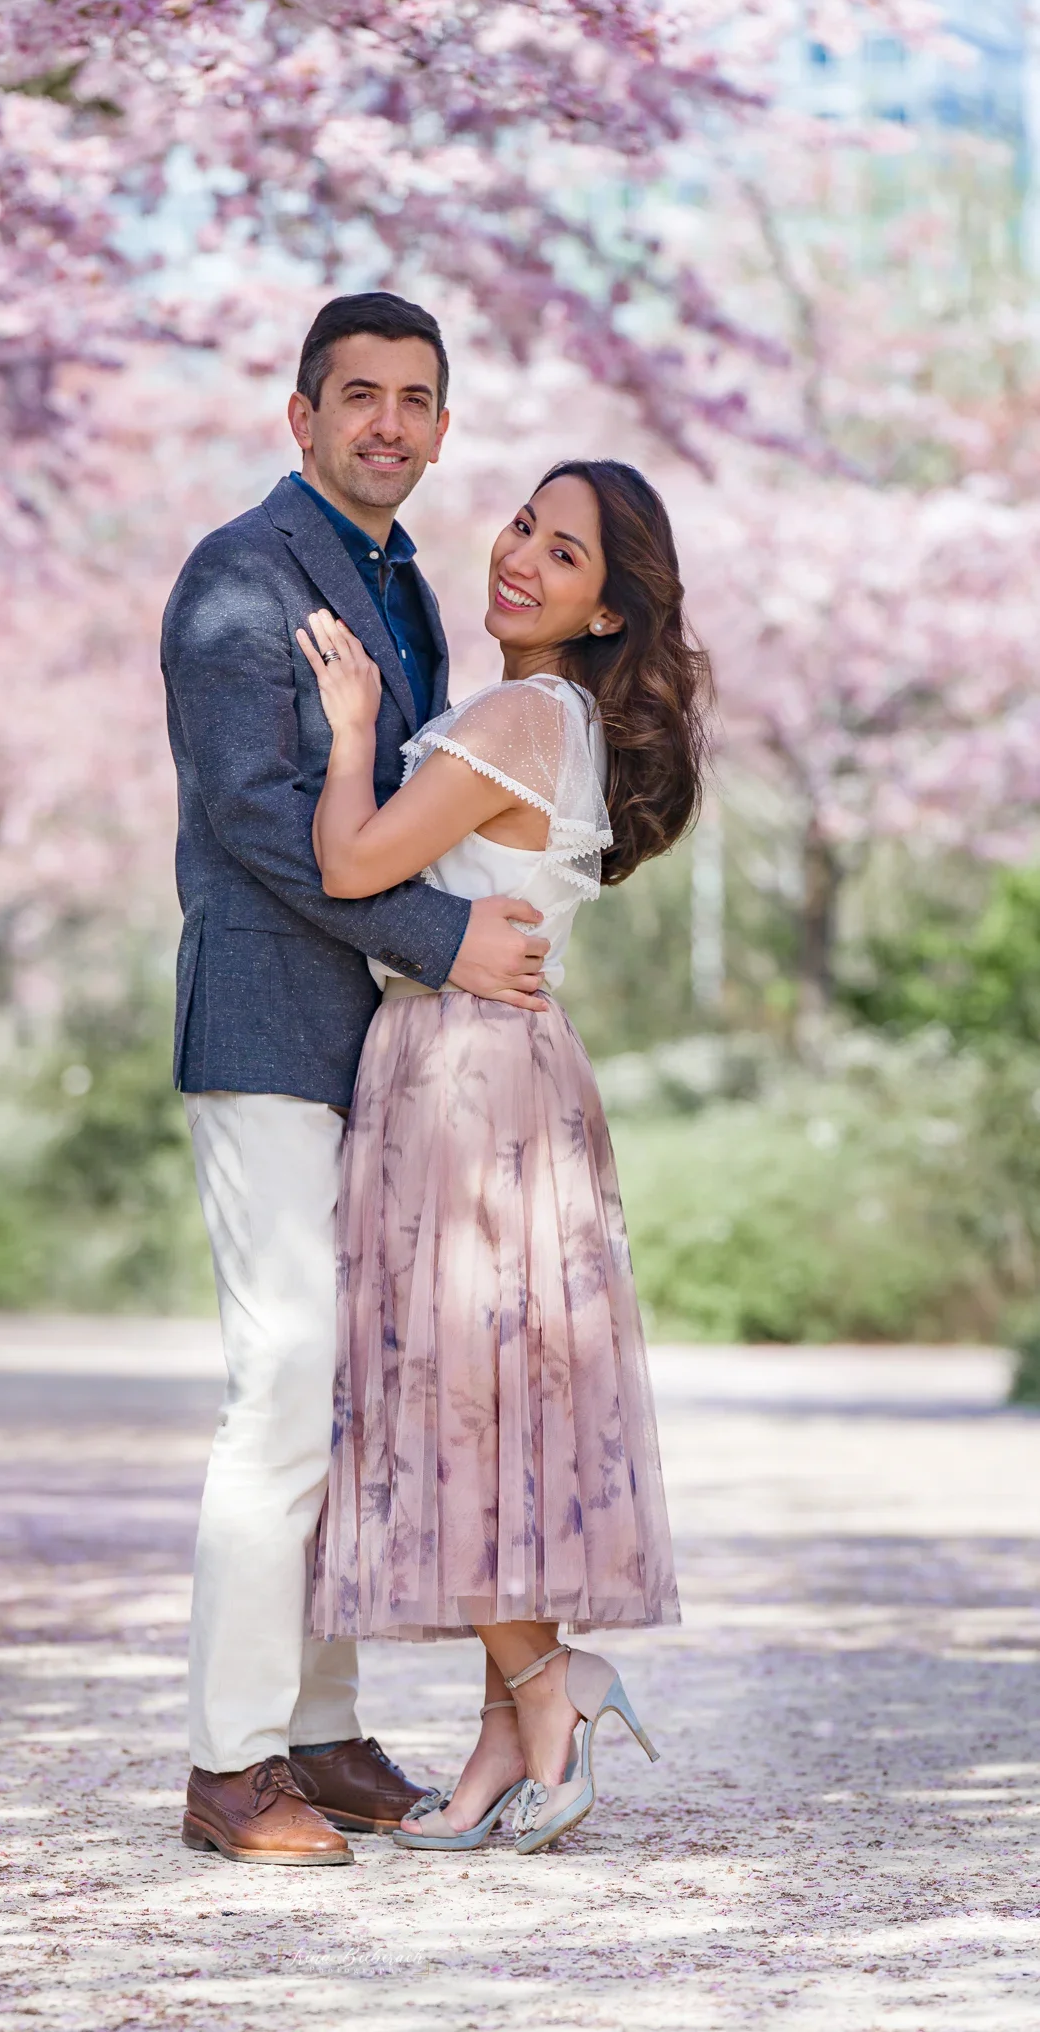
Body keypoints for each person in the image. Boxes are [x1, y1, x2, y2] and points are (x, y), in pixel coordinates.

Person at [161, 292, 552, 1865]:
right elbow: (259, 814)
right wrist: (448, 936)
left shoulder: (402, 590)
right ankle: (225, 1765)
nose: (387, 422)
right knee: (281, 1380)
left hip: (377, 1046)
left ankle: (316, 1735)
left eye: (414, 400)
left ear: (441, 428)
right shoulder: (235, 578)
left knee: (339, 1388)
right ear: (300, 414)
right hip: (265, 1023)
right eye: (358, 396)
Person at [306, 459, 708, 1854]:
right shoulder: (553, 720)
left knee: (452, 1402)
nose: (521, 557)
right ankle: (502, 1741)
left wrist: (351, 726)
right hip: (493, 1066)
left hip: (462, 1072)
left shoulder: (521, 714)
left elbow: (352, 866)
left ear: (607, 612)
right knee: (490, 1407)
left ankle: (553, 1678)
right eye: (525, 527)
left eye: (566, 554)